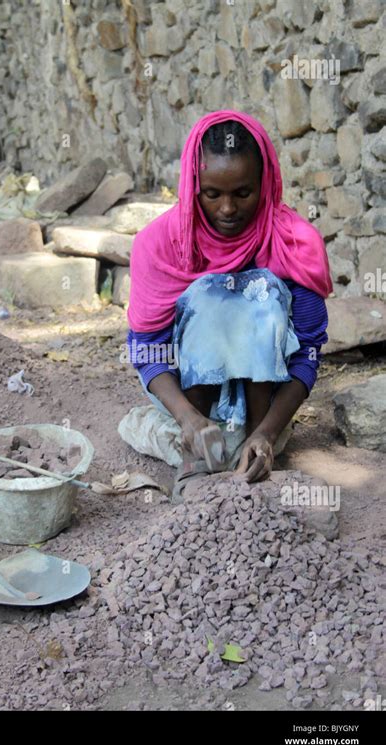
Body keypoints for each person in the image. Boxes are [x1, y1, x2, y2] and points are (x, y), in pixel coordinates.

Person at [121, 110, 332, 499]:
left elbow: (309, 352)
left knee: (261, 288)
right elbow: (148, 348)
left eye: (243, 192)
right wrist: (187, 417)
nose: (228, 210)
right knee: (208, 294)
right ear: (192, 185)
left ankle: (255, 445)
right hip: (187, 384)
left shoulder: (294, 243)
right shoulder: (159, 245)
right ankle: (194, 459)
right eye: (212, 193)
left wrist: (266, 432)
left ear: (264, 183)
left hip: (263, 385)